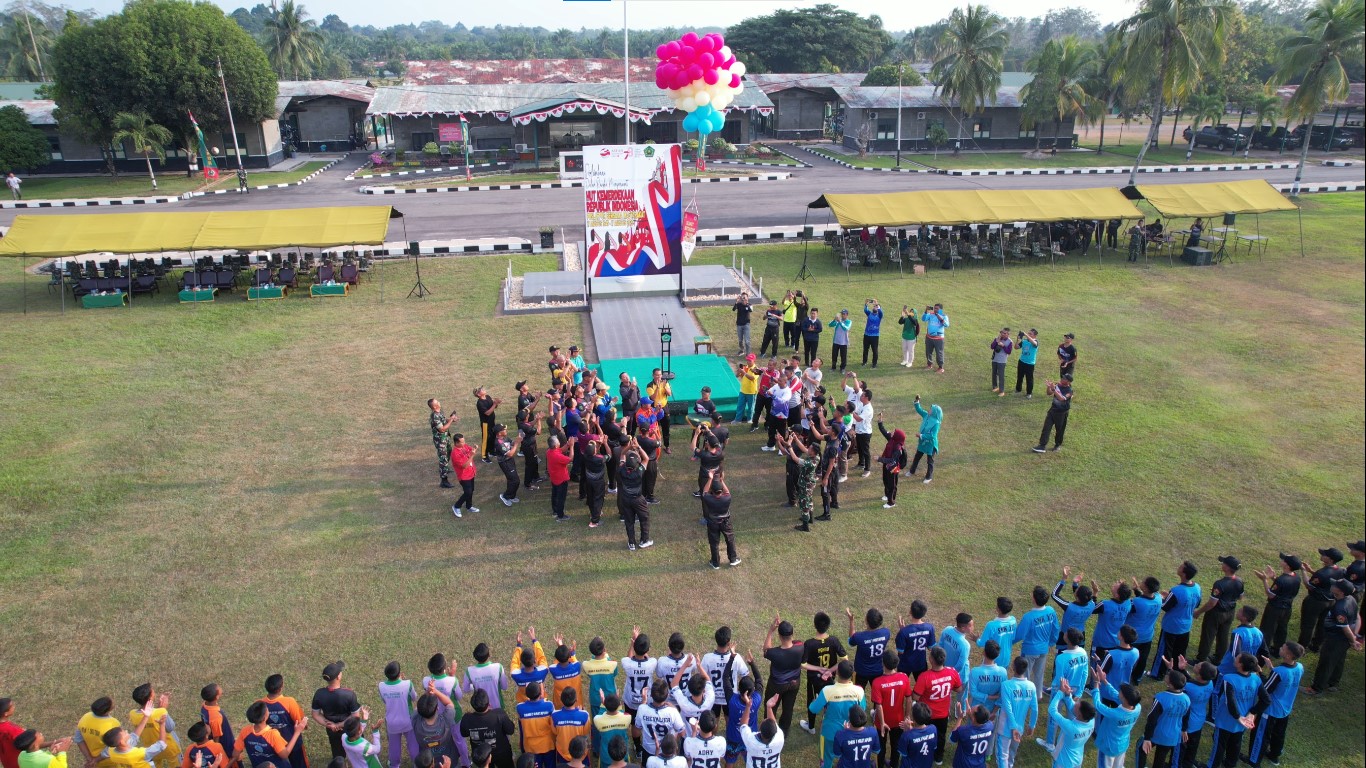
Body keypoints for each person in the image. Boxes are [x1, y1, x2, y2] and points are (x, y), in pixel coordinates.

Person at [1244, 642, 1302, 767]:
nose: (1280, 648)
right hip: (1285, 709)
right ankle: (1274, 756)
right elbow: (1284, 680)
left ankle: (1254, 760)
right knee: (1279, 733)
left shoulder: (1279, 672)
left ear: (1287, 655)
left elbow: (1266, 689)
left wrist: (1260, 672)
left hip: (1271, 711)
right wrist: (1272, 669)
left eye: (1282, 648)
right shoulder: (1299, 667)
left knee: (1261, 734)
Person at [1208, 654, 1267, 768]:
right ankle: (1230, 764)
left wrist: (1237, 716)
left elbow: (1230, 701)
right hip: (1243, 721)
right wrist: (1252, 713)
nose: (1235, 658)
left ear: (1240, 664)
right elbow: (1266, 700)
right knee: (1236, 743)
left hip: (1226, 720)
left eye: (1237, 658)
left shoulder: (1229, 678)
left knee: (1219, 745)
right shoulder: (1255, 678)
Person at [1305, 579, 1361, 695]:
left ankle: (1316, 688)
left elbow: (1345, 628)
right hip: (1344, 639)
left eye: (1335, 585)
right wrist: (1354, 636)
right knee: (1338, 660)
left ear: (1340, 591)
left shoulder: (1340, 607)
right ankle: (1333, 683)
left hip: (1335, 639)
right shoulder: (1351, 599)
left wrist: (1353, 640)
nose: (1332, 585)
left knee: (1326, 662)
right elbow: (1358, 617)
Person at [1148, 561, 1201, 681]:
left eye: (1181, 567)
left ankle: (1157, 674)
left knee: (1164, 651)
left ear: (1183, 573)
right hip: (1186, 626)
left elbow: (1165, 606)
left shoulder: (1177, 591)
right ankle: (1178, 671)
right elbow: (1197, 603)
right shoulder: (1197, 588)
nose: (1179, 567)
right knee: (1180, 651)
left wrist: (1162, 598)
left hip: (1171, 626)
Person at [807, 662, 864, 768]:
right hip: (850, 732)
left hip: (829, 733)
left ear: (837, 672)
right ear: (852, 674)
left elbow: (813, 709)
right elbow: (862, 710)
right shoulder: (859, 691)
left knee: (826, 760)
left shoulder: (827, 691)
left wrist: (814, 701)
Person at [910, 648, 961, 766]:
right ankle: (939, 757)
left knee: (924, 735)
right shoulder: (952, 672)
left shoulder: (925, 676)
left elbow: (916, 697)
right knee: (941, 736)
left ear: (931, 659)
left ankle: (924, 754)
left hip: (927, 714)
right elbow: (958, 689)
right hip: (943, 713)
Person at [799, 614, 847, 736]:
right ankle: (826, 718)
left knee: (812, 700)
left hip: (814, 680)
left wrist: (818, 669)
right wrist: (830, 670)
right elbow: (844, 659)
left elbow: (803, 664)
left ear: (815, 625)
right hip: (830, 678)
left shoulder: (809, 644)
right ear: (828, 626)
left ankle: (811, 727)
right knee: (828, 697)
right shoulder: (834, 640)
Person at [1192, 556, 1244, 665]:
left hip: (1216, 613)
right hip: (1230, 612)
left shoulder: (1220, 584)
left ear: (1227, 567)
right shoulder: (1239, 581)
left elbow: (1212, 603)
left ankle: (1201, 659)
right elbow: (1240, 597)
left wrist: (1198, 612)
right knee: (1223, 635)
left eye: (1223, 563)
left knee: (1208, 635)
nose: (1222, 564)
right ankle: (1219, 658)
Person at [1034, 682, 1094, 768]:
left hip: (1063, 762)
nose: (1075, 704)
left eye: (1077, 706)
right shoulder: (1091, 721)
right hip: (1077, 759)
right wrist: (1068, 695)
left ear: (1079, 714)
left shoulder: (1071, 727)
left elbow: (1052, 710)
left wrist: (1060, 692)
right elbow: (1072, 707)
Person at [1136, 671, 1189, 768]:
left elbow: (1152, 719)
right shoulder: (1186, 698)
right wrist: (1184, 729)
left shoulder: (1160, 698)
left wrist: (1147, 738)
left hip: (1157, 734)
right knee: (1161, 758)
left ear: (1170, 684)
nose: (1166, 675)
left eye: (1168, 675)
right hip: (1172, 736)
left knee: (1141, 748)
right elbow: (1186, 716)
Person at [1089, 671, 1142, 768]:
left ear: (1125, 699)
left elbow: (1097, 704)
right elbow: (1116, 695)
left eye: (1121, 692)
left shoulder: (1115, 714)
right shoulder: (1137, 707)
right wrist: (1105, 681)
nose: (1119, 693)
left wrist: (1096, 683)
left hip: (1108, 747)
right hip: (1122, 745)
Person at [1297, 547, 1345, 652]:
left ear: (1331, 560)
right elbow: (1326, 580)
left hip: (1316, 602)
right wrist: (1311, 571)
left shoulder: (1322, 573)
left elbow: (1309, 585)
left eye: (1325, 555)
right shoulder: (1340, 570)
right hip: (1331, 601)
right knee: (1322, 624)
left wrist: (1304, 571)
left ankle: (1301, 647)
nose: (1322, 555)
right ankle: (1316, 645)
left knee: (1308, 625)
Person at [762, 618, 804, 735]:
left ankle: (769, 730)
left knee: (770, 706)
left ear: (779, 636)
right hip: (794, 683)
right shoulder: (800, 646)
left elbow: (766, 650)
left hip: (777, 685)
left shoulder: (774, 653)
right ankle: (784, 732)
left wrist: (771, 631)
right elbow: (795, 642)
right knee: (788, 708)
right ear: (792, 634)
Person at [236, 702, 308, 768]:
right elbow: (284, 755)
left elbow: (235, 753)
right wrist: (297, 732)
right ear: (265, 717)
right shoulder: (272, 734)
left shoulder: (245, 731)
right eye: (267, 709)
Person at [869, 654, 910, 768]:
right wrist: (907, 715)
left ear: (883, 663)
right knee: (896, 745)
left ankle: (881, 765)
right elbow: (909, 698)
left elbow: (878, 705)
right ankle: (894, 764)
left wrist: (882, 722)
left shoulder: (877, 682)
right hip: (898, 719)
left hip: (882, 721)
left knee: (881, 746)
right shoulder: (904, 678)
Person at [313, 665, 361, 759]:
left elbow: (316, 714)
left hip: (332, 731)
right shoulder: (349, 694)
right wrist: (339, 725)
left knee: (338, 754)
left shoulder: (319, 694)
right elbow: (355, 715)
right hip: (351, 728)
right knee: (358, 750)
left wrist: (331, 725)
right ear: (339, 677)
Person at [995, 659, 1036, 768]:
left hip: (1005, 729)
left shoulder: (1006, 685)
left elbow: (1008, 708)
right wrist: (1032, 725)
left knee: (1002, 756)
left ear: (1013, 668)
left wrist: (1013, 727)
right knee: (1011, 754)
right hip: (1020, 728)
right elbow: (1035, 709)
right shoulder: (1031, 686)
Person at [776, 431, 818, 533]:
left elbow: (795, 458)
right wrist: (795, 439)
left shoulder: (809, 463)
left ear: (813, 452)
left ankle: (805, 526)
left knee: (804, 504)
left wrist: (790, 446)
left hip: (805, 485)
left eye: (810, 449)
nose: (808, 449)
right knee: (809, 501)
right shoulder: (816, 457)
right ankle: (810, 518)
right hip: (810, 484)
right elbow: (804, 449)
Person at [1017, 588, 1058, 694]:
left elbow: (1019, 635)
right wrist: (1051, 643)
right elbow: (1056, 629)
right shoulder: (1051, 611)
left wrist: (1007, 642)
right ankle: (1038, 694)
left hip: (1029, 651)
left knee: (1025, 674)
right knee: (1039, 674)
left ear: (1034, 599)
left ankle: (1024, 695)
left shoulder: (1028, 617)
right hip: (1044, 649)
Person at [460, 690, 515, 768]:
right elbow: (510, 730)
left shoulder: (467, 718)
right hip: (502, 753)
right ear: (489, 704)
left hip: (482, 756)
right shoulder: (499, 714)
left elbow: (464, 733)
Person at [376, 666, 417, 768]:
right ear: (399, 674)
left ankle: (394, 765)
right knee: (413, 744)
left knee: (394, 747)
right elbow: (414, 697)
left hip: (392, 723)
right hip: (408, 721)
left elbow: (384, 700)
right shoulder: (407, 684)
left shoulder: (381, 686)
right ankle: (417, 763)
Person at [633, 682, 685, 763]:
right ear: (667, 695)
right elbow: (682, 733)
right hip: (668, 750)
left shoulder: (642, 709)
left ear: (651, 695)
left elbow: (636, 730)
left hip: (648, 749)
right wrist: (675, 708)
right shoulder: (673, 712)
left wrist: (644, 701)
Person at [616, 438, 652, 551]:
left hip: (626, 499)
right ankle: (644, 540)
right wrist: (638, 447)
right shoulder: (639, 472)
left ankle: (631, 543)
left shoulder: (621, 469)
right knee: (644, 518)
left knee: (629, 521)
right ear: (637, 463)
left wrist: (630, 446)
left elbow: (622, 453)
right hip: (638, 499)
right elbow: (646, 458)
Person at [1127, 577, 1163, 685]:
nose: (1141, 582)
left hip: (1133, 636)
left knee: (1129, 659)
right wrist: (1137, 590)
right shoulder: (1158, 598)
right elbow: (1145, 602)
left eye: (1143, 582)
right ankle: (1137, 678)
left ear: (1146, 588)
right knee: (1143, 658)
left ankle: (1125, 677)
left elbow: (1130, 607)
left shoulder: (1136, 602)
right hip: (1148, 635)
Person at [701, 470, 739, 569]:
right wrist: (721, 480)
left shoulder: (708, 498)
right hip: (726, 522)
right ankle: (733, 559)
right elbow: (727, 491)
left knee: (714, 543)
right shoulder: (727, 498)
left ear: (712, 491)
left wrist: (710, 478)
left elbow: (704, 491)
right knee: (730, 540)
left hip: (713, 522)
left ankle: (715, 563)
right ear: (721, 491)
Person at [738, 694, 784, 768]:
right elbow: (774, 724)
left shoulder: (751, 740)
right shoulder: (779, 738)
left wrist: (748, 706)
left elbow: (743, 725)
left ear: (760, 730)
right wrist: (769, 707)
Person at [516, 683, 556, 768]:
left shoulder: (520, 708)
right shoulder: (549, 705)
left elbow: (520, 724)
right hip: (548, 745)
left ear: (526, 694)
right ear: (540, 693)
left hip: (531, 747)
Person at [893, 602, 935, 682]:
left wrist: (902, 630)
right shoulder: (930, 628)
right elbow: (931, 647)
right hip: (920, 663)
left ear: (910, 612)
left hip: (905, 664)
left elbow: (900, 651)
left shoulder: (904, 632)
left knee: (901, 685)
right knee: (922, 686)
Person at [463, 644, 511, 712]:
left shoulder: (469, 671)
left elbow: (466, 689)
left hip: (481, 708)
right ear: (489, 655)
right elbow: (504, 687)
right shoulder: (498, 667)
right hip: (497, 707)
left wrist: (474, 686)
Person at [1031, 374, 1072, 453]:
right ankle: (1042, 446)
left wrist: (1054, 390)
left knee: (1059, 430)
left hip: (1061, 413)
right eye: (1062, 377)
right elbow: (1049, 393)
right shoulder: (1057, 385)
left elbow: (1061, 398)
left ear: (1068, 381)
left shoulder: (1069, 390)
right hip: (1052, 410)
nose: (1061, 378)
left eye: (1064, 378)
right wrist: (1049, 387)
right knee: (1046, 427)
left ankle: (1057, 445)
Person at [552, 689, 591, 768]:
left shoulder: (554, 715)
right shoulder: (584, 715)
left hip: (562, 753)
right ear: (576, 700)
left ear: (561, 700)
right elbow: (586, 732)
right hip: (580, 752)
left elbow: (554, 732)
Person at [977, 598, 1018, 672]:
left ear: (998, 609)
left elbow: (982, 643)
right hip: (1006, 658)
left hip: (993, 658)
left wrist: (976, 640)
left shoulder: (991, 625)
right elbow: (1013, 637)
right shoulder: (1013, 620)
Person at [907, 397, 940, 485]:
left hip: (931, 444)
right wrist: (917, 402)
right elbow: (920, 410)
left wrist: (921, 435)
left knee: (930, 461)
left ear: (934, 412)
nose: (929, 410)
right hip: (922, 443)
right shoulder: (926, 415)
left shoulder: (936, 423)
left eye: (931, 409)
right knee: (917, 457)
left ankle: (929, 477)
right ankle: (912, 471)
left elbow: (932, 435)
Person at [875, 417, 906, 508]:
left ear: (897, 436)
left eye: (894, 432)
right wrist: (880, 423)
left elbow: (893, 460)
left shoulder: (898, 448)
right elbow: (884, 431)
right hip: (887, 465)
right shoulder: (892, 439)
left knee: (892, 484)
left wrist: (879, 459)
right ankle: (887, 495)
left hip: (893, 468)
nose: (891, 432)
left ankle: (891, 502)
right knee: (885, 480)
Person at [894, 704, 936, 768]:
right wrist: (911, 728)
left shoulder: (906, 735)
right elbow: (933, 746)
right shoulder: (933, 729)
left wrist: (907, 731)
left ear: (913, 718)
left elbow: (903, 753)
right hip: (927, 764)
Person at [592, 698, 630, 768]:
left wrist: (602, 706)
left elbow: (599, 716)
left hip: (606, 757)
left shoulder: (597, 720)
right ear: (618, 705)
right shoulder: (628, 717)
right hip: (623, 755)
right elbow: (622, 713)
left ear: (605, 706)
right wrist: (620, 706)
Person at [429, 400, 459, 487]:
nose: (439, 402)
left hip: (445, 438)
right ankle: (444, 481)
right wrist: (450, 421)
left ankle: (445, 468)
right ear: (434, 406)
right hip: (440, 440)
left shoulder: (439, 413)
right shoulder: (435, 416)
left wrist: (451, 419)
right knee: (443, 458)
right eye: (437, 402)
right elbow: (442, 429)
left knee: (449, 452)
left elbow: (444, 421)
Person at [449, 434, 479, 518]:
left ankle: (469, 506)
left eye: (464, 441)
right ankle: (456, 506)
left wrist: (474, 448)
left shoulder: (464, 446)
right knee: (468, 492)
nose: (464, 443)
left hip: (471, 473)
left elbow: (470, 450)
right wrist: (472, 455)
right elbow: (464, 466)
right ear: (456, 443)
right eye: (462, 442)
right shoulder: (455, 453)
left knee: (471, 490)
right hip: (464, 476)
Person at [490, 425, 520, 507]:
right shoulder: (498, 443)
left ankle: (511, 496)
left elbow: (512, 443)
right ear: (499, 433)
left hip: (510, 461)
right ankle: (505, 496)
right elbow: (510, 454)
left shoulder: (505, 437)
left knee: (513, 480)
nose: (506, 430)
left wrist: (518, 439)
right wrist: (516, 444)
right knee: (515, 481)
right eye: (504, 429)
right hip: (505, 463)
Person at [850, 386, 874, 478]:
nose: (861, 396)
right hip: (859, 431)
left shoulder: (868, 409)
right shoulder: (862, 404)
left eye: (863, 395)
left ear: (867, 397)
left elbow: (859, 418)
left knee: (865, 451)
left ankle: (867, 469)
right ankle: (861, 464)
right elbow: (857, 412)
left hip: (865, 433)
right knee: (859, 449)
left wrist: (851, 412)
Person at [645, 370, 672, 455]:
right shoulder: (649, 385)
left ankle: (667, 446)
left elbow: (669, 394)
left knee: (666, 427)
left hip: (664, 407)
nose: (659, 377)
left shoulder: (665, 382)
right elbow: (653, 398)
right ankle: (651, 444)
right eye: (656, 375)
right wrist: (657, 387)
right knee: (652, 427)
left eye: (660, 375)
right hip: (654, 409)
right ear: (653, 375)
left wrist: (664, 387)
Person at [582, 441, 608, 528]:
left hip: (589, 481)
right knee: (598, 499)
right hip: (598, 482)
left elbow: (593, 452)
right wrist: (605, 443)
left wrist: (598, 445)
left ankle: (593, 514)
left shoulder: (585, 456)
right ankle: (594, 521)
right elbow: (610, 455)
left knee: (591, 497)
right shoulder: (599, 459)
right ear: (595, 452)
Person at [518, 408, 543, 493]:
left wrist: (536, 419)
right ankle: (527, 483)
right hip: (529, 447)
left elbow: (530, 424)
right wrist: (539, 420)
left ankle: (536, 477)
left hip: (530, 445)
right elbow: (539, 432)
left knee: (535, 461)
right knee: (530, 465)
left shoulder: (521, 423)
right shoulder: (527, 428)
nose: (528, 414)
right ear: (526, 417)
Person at [474, 387, 501, 462]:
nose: (484, 389)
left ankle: (492, 451)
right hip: (485, 424)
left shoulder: (488, 397)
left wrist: (497, 403)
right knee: (486, 439)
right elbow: (487, 413)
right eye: (482, 390)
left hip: (492, 421)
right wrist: (495, 404)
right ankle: (484, 456)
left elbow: (494, 406)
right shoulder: (479, 403)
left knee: (492, 437)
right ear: (478, 394)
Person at [920, 305, 948, 373]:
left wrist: (940, 318)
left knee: (939, 353)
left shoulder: (944, 316)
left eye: (937, 308)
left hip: (939, 338)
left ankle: (941, 368)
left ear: (941, 309)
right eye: (934, 308)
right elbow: (923, 319)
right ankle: (929, 365)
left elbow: (946, 325)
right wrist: (926, 311)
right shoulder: (930, 315)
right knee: (928, 352)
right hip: (929, 337)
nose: (935, 309)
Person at [989, 328, 1014, 396]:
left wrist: (1003, 346)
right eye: (1001, 333)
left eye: (1004, 333)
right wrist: (996, 341)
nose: (1002, 334)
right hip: (995, 359)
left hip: (1002, 361)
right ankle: (995, 387)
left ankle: (1001, 391)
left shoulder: (1010, 342)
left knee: (1001, 375)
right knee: (994, 373)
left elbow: (1009, 352)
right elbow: (992, 347)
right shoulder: (997, 338)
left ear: (1008, 334)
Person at [1015, 330, 1038, 398]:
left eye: (1030, 334)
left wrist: (1025, 334)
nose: (1028, 334)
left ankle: (1029, 393)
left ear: (1034, 336)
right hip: (1022, 361)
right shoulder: (1024, 341)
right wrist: (1018, 340)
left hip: (1030, 364)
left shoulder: (1035, 342)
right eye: (1028, 333)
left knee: (1029, 379)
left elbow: (1034, 344)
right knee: (1019, 376)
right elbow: (1016, 347)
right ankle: (1018, 389)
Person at [736, 359, 759, 424]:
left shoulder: (756, 369)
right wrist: (739, 371)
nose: (748, 362)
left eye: (750, 360)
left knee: (751, 407)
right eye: (747, 360)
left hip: (751, 392)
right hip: (743, 390)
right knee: (740, 406)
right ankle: (738, 420)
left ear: (754, 361)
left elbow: (752, 378)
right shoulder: (745, 367)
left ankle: (749, 419)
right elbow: (737, 376)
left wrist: (744, 372)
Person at [862, 300, 883, 368]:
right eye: (874, 306)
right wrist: (866, 304)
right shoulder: (869, 313)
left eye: (876, 307)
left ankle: (874, 364)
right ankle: (864, 362)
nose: (874, 307)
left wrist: (877, 305)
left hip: (875, 336)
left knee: (874, 350)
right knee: (865, 349)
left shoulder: (879, 315)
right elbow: (865, 310)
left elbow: (881, 312)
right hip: (867, 335)